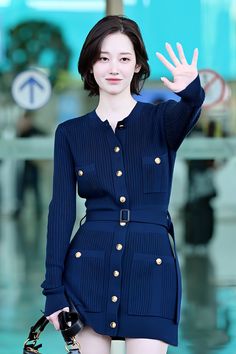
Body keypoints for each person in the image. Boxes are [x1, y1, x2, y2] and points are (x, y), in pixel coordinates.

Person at [40, 15, 205, 354]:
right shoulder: (70, 134)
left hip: (151, 268)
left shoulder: (162, 121)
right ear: (89, 66)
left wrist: (192, 91)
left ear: (138, 66)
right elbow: (61, 211)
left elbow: (190, 109)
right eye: (103, 58)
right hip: (88, 268)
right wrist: (53, 290)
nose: (113, 67)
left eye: (124, 58)